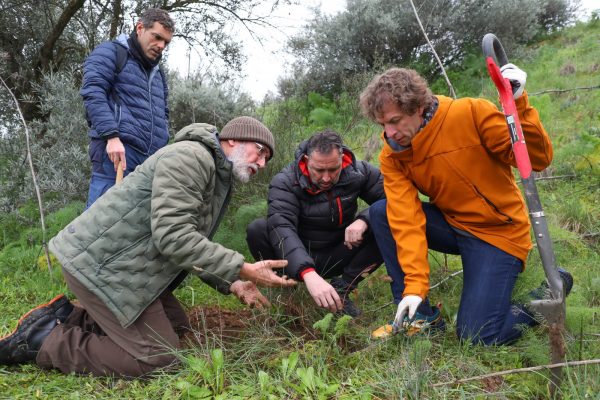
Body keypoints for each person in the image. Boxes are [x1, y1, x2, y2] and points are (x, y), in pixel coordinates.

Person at [0, 117, 297, 377]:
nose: (262, 163)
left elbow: (188, 243)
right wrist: (242, 267)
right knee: (159, 359)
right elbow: (173, 235)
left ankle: (70, 317)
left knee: (178, 325)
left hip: (123, 266)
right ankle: (44, 341)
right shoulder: (192, 158)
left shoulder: (213, 171)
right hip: (101, 267)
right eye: (261, 152)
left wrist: (233, 283)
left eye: (267, 160)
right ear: (233, 138)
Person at [359, 66, 573, 344]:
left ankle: (550, 292)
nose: (390, 133)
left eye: (395, 121)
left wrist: (518, 101)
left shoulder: (470, 113)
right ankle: (419, 316)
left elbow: (535, 159)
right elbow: (405, 218)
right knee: (382, 212)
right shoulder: (393, 155)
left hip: (498, 234)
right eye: (382, 125)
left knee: (479, 336)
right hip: (454, 224)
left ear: (419, 106)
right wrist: (414, 287)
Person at [246, 130, 385, 317]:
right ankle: (285, 287)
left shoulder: (359, 172)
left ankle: (342, 289)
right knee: (258, 229)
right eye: (319, 170)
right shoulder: (285, 181)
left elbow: (394, 198)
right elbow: (282, 227)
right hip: (297, 253)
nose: (326, 178)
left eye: (333, 169)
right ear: (306, 160)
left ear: (342, 159)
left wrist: (365, 219)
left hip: (340, 250)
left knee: (388, 221)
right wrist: (307, 272)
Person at [81, 8, 175, 208]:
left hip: (148, 163)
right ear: (140, 28)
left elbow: (163, 112)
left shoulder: (158, 73)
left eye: (166, 42)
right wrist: (111, 136)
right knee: (100, 227)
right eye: (157, 37)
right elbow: (93, 93)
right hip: (116, 155)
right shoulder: (110, 52)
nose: (161, 46)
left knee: (132, 232)